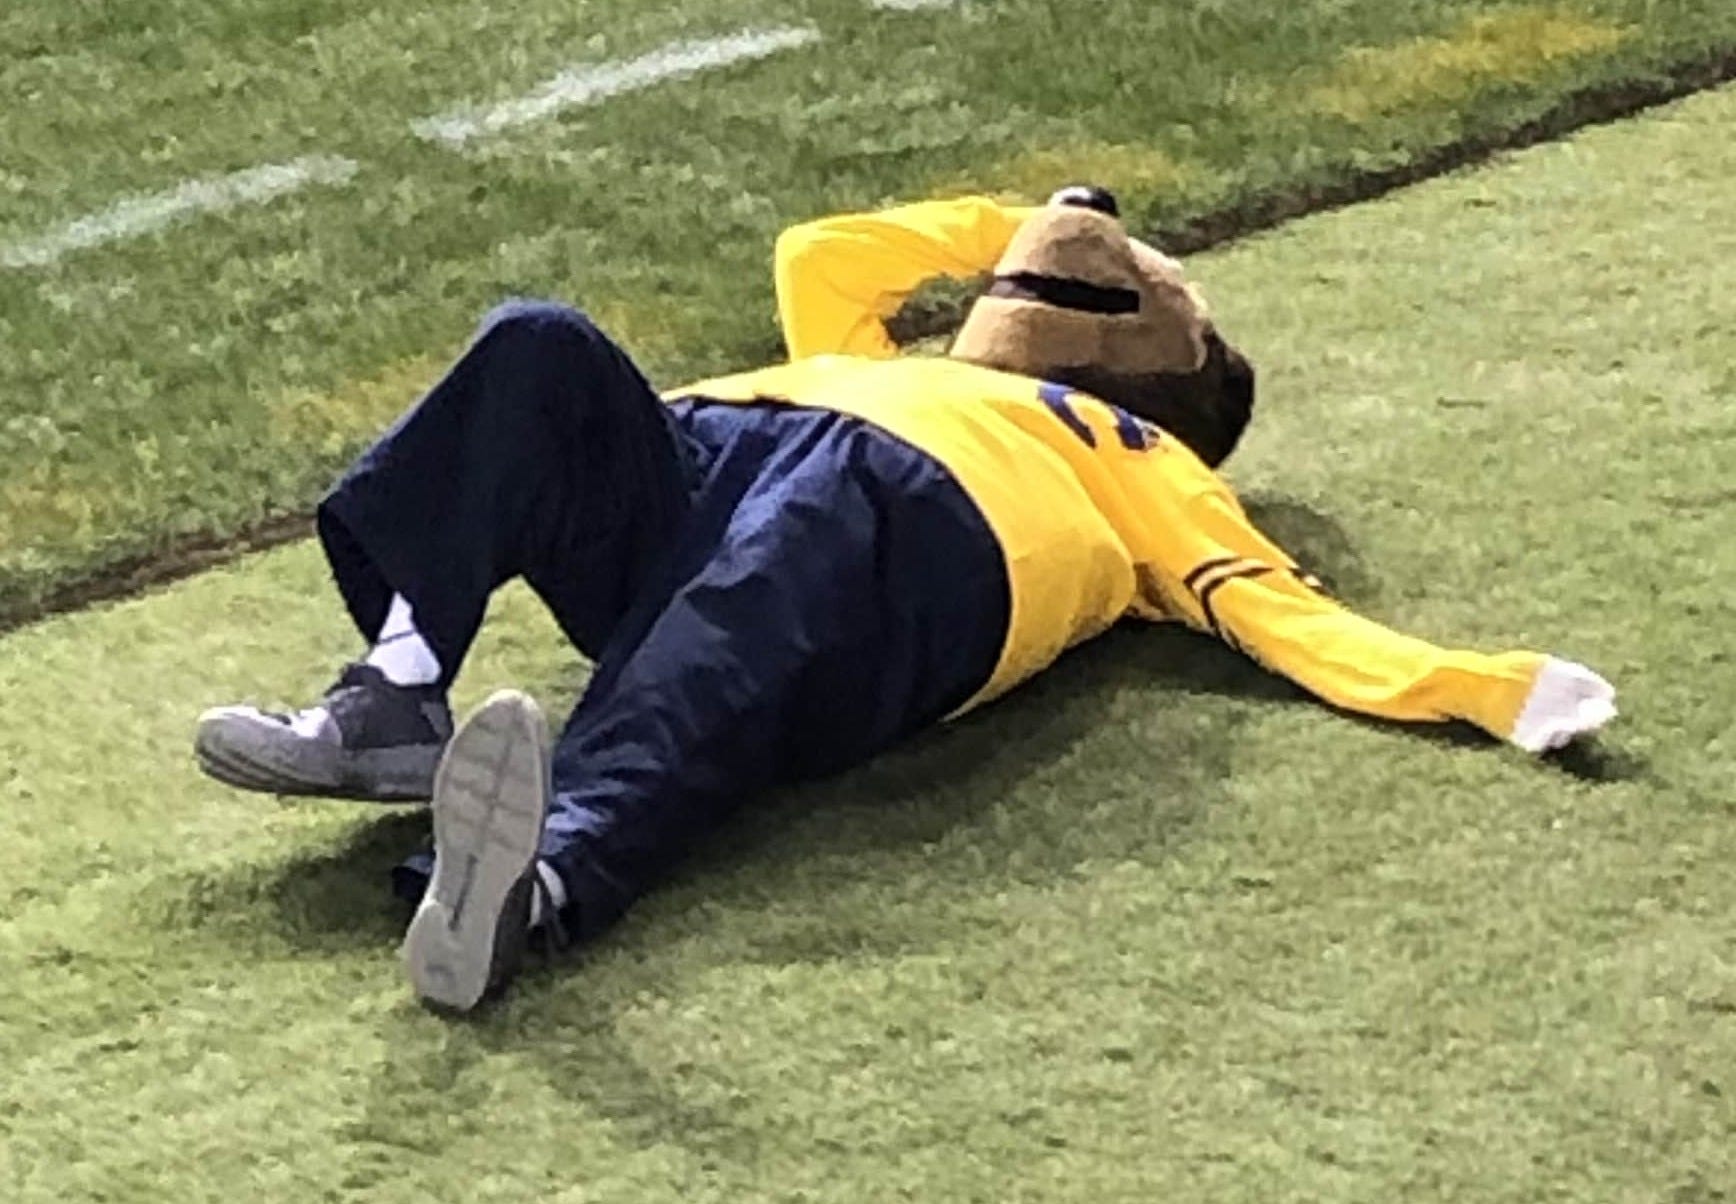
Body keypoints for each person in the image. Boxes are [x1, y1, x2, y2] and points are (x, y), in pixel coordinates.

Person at [195, 186, 1616, 1011]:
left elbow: (1279, 610)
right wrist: (1024, 228)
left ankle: (535, 882)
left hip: (909, 533)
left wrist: (1484, 687)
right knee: (540, 349)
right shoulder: (878, 358)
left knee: (750, 599)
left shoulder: (1144, 458)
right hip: (701, 468)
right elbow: (821, 254)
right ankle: (394, 694)